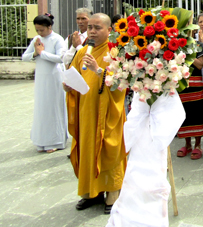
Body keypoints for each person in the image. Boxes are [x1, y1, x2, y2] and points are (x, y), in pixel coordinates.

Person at [63, 13, 127, 214]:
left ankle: (112, 194)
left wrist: (98, 70)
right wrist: (67, 86)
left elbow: (122, 82)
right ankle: (91, 192)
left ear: (109, 30)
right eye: (89, 27)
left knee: (110, 149)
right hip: (86, 112)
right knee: (88, 148)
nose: (91, 31)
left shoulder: (116, 51)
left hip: (109, 111)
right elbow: (73, 76)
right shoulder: (82, 51)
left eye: (97, 27)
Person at [22, 13, 67, 153]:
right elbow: (24, 57)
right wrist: (35, 53)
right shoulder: (37, 39)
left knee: (53, 107)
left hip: (54, 77)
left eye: (42, 29)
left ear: (49, 26)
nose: (40, 33)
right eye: (37, 30)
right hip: (41, 78)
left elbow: (61, 58)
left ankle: (55, 140)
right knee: (42, 108)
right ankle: (42, 140)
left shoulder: (57, 39)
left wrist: (42, 53)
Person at [176, 39, 203, 160]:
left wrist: (187, 54)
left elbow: (200, 64)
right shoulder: (177, 43)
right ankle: (187, 144)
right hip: (181, 85)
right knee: (184, 115)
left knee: (197, 114)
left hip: (196, 85)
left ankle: (198, 145)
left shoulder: (198, 44)